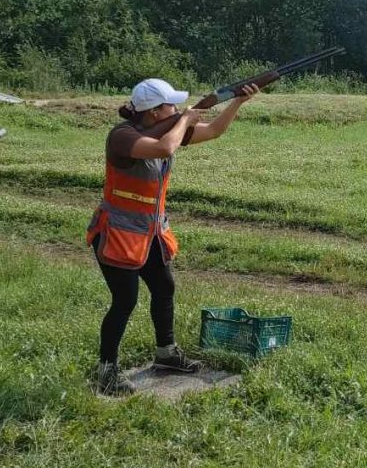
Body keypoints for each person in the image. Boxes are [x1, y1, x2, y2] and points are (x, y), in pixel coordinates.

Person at [87, 77, 259, 394]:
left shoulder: (168, 127)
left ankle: (166, 353)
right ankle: (106, 370)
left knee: (164, 287)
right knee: (125, 301)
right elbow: (166, 147)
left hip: (149, 232)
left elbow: (215, 131)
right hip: (118, 233)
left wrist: (237, 101)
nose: (177, 108)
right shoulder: (122, 136)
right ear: (154, 112)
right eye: (171, 105)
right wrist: (186, 119)